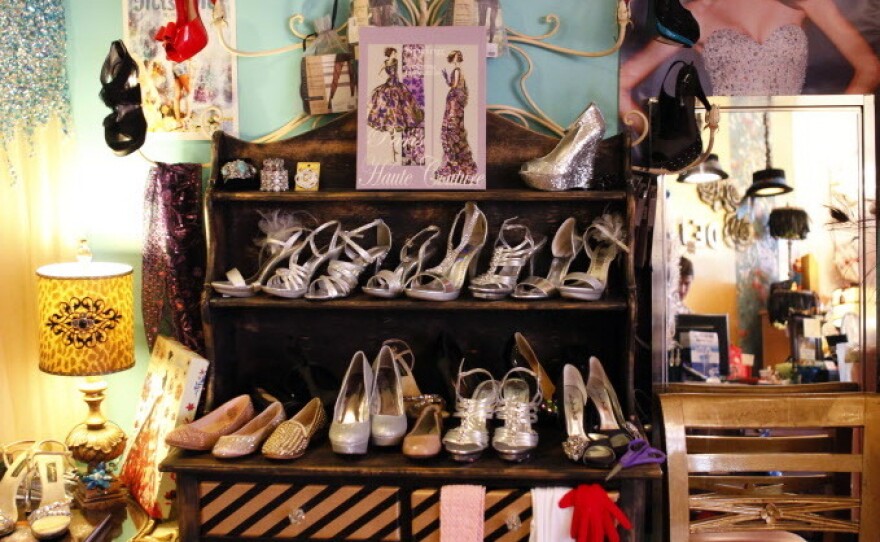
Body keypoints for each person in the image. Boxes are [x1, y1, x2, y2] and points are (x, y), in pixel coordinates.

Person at [619, 0, 880, 129]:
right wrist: (664, 142)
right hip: (725, 144)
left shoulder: (808, 2)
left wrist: (831, 124)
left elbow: (870, 68)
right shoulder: (698, 12)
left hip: (796, 135)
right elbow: (623, 84)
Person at [366, 47, 423, 164]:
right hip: (389, 87)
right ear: (391, 53)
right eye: (395, 53)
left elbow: (397, 74)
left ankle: (395, 148)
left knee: (400, 111)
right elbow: (378, 72)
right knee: (389, 113)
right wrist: (385, 80)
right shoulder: (385, 63)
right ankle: (392, 148)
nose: (396, 55)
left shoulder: (396, 62)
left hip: (397, 86)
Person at [436, 50, 478, 181]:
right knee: (455, 128)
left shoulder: (457, 70)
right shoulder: (458, 70)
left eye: (455, 57)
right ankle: (455, 161)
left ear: (457, 58)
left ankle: (455, 162)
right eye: (454, 57)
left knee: (452, 127)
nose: (454, 59)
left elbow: (453, 85)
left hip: (454, 102)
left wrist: (446, 78)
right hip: (455, 101)